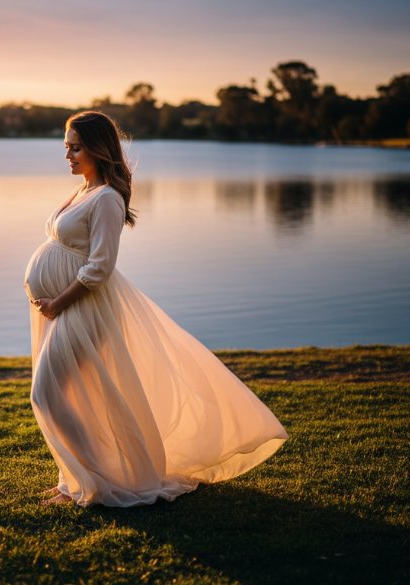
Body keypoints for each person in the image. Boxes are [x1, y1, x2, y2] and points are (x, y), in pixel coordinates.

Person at [24, 111, 288, 507]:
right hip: (62, 309)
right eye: (66, 147)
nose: (68, 155)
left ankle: (93, 480)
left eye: (76, 147)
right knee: (71, 395)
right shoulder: (83, 191)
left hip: (82, 308)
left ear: (98, 148)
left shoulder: (108, 199)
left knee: (47, 393)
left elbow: (99, 267)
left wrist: (58, 303)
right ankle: (73, 481)